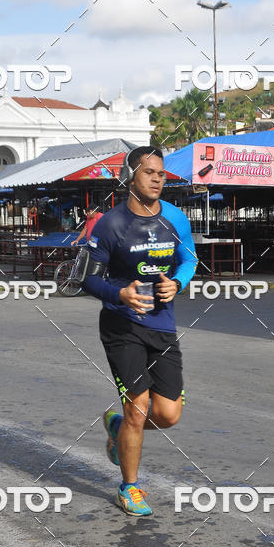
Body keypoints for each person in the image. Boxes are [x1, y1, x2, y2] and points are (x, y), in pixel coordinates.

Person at [82, 147, 197, 516]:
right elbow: (86, 278)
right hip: (121, 325)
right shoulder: (110, 225)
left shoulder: (176, 219)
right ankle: (129, 487)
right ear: (130, 178)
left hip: (162, 325)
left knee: (168, 414)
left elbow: (189, 258)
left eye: (161, 173)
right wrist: (121, 294)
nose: (157, 179)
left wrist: (177, 283)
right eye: (149, 172)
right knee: (138, 407)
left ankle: (118, 431)